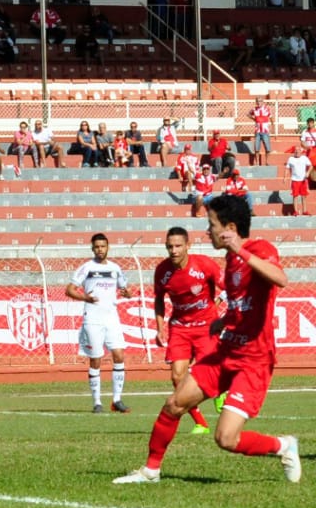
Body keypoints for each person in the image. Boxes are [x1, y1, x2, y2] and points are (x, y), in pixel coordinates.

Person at [114, 195, 300, 484]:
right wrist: (223, 320)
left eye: (210, 224)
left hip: (254, 361)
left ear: (230, 227)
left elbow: (280, 279)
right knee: (175, 403)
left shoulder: (259, 248)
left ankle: (283, 446)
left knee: (226, 438)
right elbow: (243, 304)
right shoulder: (229, 258)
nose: (207, 231)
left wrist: (241, 250)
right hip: (225, 352)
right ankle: (151, 470)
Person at [153, 226, 221, 437]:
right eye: (169, 247)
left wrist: (217, 305)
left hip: (205, 326)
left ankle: (221, 391)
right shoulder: (162, 271)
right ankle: (200, 422)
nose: (173, 251)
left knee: (208, 373)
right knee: (177, 377)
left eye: (178, 246)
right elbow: (158, 300)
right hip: (180, 327)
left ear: (187, 246)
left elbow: (227, 287)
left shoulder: (204, 265)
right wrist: (159, 328)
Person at [66, 233, 131, 414]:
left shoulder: (115, 268)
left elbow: (125, 288)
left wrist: (127, 293)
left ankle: (117, 400)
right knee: (96, 359)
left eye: (103, 246)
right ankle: (97, 402)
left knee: (119, 355)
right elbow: (69, 290)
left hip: (112, 318)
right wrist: (85, 297)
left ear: (108, 247)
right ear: (92, 248)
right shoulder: (86, 268)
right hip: (93, 319)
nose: (100, 250)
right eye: (97, 247)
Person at [285, 145, 312, 215]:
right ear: (294, 151)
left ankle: (305, 211)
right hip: (295, 180)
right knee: (295, 196)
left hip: (303, 180)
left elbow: (311, 165)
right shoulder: (291, 159)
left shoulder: (304, 158)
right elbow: (287, 168)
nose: (297, 151)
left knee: (304, 196)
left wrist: (308, 172)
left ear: (301, 151)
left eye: (298, 150)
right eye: (296, 150)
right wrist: (285, 177)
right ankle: (296, 211)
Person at [250, 97, 272, 167]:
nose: (259, 102)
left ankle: (267, 161)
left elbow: (271, 117)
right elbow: (248, 114)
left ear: (262, 102)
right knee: (256, 148)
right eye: (257, 101)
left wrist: (273, 126)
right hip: (257, 131)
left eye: (260, 101)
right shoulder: (254, 109)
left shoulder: (267, 109)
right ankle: (257, 162)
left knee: (267, 148)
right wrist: (254, 119)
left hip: (265, 131)